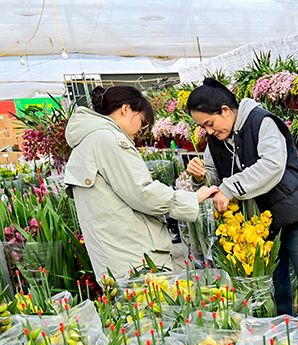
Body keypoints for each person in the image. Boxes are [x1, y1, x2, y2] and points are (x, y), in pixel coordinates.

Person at [185, 78, 298, 326]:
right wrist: (201, 177)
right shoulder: (215, 142)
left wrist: (229, 187)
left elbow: (272, 166)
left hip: (293, 215)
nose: (209, 132)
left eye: (209, 124)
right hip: (257, 229)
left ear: (225, 110)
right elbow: (215, 177)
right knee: (275, 294)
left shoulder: (261, 122)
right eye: (204, 127)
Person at [64, 86, 217, 281]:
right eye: (142, 123)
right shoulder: (108, 139)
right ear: (126, 109)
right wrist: (193, 198)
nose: (141, 131)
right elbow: (143, 193)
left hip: (115, 252)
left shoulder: (89, 140)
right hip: (134, 255)